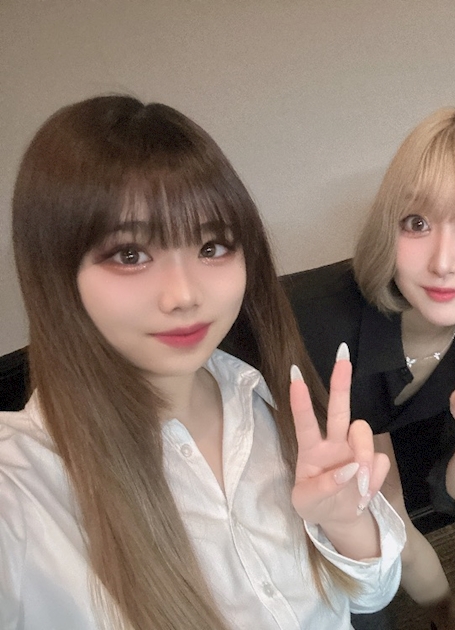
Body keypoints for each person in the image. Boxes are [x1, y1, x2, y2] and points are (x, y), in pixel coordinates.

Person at [0, 95, 406, 630]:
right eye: (130, 254)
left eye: (212, 246)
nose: (184, 295)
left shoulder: (265, 395)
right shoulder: (23, 482)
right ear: (56, 272)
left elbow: (372, 596)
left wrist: (345, 525)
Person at [225, 107, 455, 629]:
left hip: (355, 445)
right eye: (417, 223)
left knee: (392, 525)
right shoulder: (310, 322)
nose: (442, 262)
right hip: (263, 458)